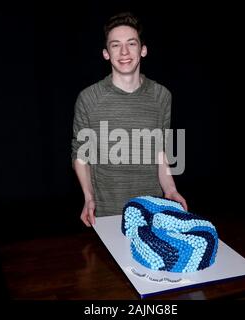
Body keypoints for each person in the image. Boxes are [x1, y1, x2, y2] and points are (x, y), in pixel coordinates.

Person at [71, 12, 187, 227]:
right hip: (106, 216)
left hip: (152, 211)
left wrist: (170, 190)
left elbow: (161, 152)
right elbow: (80, 154)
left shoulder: (162, 96)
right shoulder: (89, 98)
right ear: (106, 53)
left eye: (131, 43)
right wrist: (88, 198)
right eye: (115, 45)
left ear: (143, 50)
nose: (124, 52)